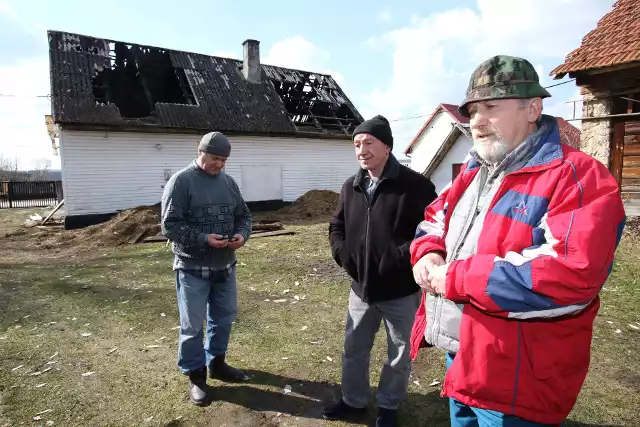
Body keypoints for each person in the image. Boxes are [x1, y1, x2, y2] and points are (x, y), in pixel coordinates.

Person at [409, 55, 626, 427]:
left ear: (533, 108)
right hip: (461, 356)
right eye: (473, 110)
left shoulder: (578, 177)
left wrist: (457, 279)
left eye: (491, 107)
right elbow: (434, 220)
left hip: (517, 377)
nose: (476, 120)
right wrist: (428, 254)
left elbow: (570, 275)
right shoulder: (475, 172)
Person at [325, 115, 438, 427]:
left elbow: (430, 231)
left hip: (400, 290)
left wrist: (396, 259)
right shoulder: (351, 186)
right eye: (357, 144)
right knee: (353, 348)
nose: (361, 150)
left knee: (399, 353)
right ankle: (353, 400)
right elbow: (337, 226)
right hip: (361, 289)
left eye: (368, 143)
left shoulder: (417, 186)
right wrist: (342, 253)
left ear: (387, 146)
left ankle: (388, 406)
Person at [161, 131, 252, 406]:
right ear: (200, 152)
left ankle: (217, 363)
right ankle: (196, 377)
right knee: (192, 327)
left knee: (223, 318)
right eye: (215, 158)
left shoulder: (229, 183)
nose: (220, 165)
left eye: (224, 160)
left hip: (225, 267)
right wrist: (203, 239)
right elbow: (169, 225)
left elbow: (244, 216)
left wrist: (241, 236)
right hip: (191, 269)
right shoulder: (181, 181)